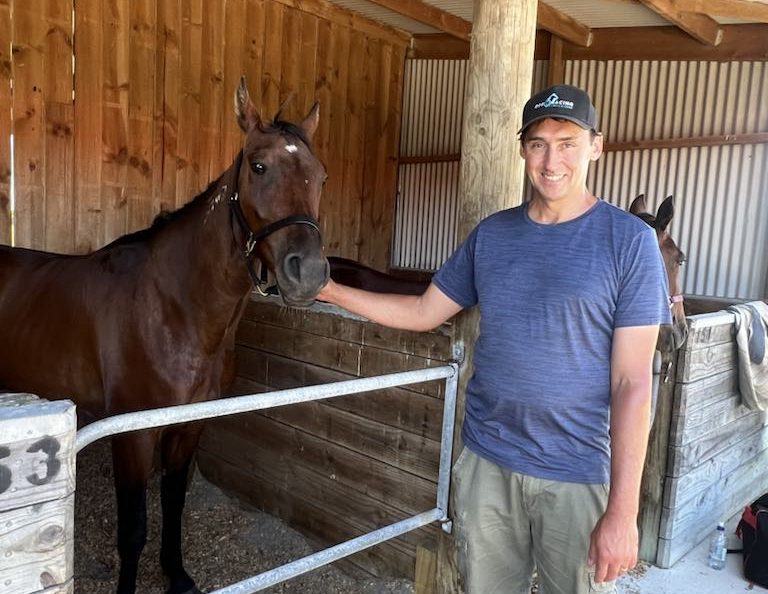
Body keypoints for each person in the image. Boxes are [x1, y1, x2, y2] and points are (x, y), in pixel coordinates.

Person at [317, 84, 671, 594]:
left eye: (567, 142)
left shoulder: (629, 242)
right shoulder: (493, 235)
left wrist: (623, 511)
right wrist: (330, 290)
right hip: (488, 464)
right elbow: (422, 311)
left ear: (596, 146)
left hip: (576, 476)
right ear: (523, 148)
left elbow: (632, 382)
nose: (552, 160)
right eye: (539, 143)